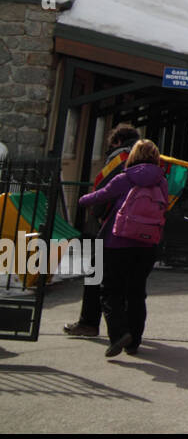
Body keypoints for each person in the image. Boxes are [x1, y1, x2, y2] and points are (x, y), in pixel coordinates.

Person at [76, 139, 168, 358]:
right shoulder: (161, 182)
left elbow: (99, 196)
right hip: (147, 244)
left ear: (132, 156)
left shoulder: (124, 179)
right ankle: (134, 342)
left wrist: (82, 199)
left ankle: (119, 334)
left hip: (117, 242)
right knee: (136, 293)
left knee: (111, 291)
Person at [64, 123, 139, 338]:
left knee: (97, 276)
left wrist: (96, 213)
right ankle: (132, 333)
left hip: (112, 228)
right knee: (130, 284)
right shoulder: (152, 162)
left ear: (117, 140)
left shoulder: (119, 159)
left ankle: (89, 323)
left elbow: (103, 190)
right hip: (143, 234)